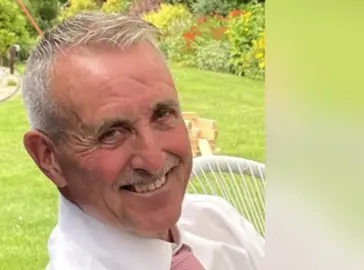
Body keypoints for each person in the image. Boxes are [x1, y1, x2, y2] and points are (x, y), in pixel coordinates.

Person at [21, 12, 264, 270]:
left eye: (163, 114)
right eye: (112, 132)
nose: (154, 160)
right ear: (48, 158)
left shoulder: (215, 221)